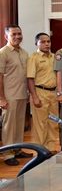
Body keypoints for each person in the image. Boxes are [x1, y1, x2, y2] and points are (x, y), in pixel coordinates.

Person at [0, 25, 32, 166]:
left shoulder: (24, 53)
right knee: (9, 126)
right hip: (9, 96)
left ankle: (17, 149)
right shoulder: (3, 53)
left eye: (19, 33)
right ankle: (7, 154)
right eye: (14, 34)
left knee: (19, 125)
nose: (18, 36)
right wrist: (1, 98)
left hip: (22, 94)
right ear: (6, 36)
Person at [27, 33, 58, 155]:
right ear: (37, 43)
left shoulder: (54, 57)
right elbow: (30, 78)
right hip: (39, 92)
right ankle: (39, 152)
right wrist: (34, 96)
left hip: (53, 93)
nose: (46, 44)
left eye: (48, 41)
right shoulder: (33, 58)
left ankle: (50, 149)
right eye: (43, 42)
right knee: (40, 124)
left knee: (52, 123)